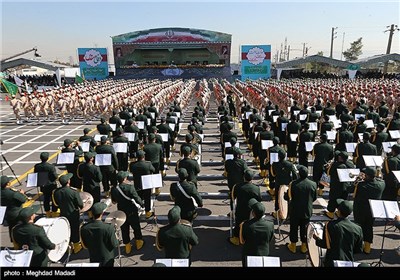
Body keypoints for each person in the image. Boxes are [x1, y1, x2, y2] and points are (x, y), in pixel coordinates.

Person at [314, 199, 363, 267]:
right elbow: (358, 249)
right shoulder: (358, 228)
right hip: (348, 262)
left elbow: (325, 244)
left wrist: (316, 238)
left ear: (339, 211)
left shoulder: (329, 225)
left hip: (331, 262)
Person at [353, 166, 385, 254]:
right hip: (372, 210)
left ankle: (357, 246)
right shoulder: (382, 184)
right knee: (369, 227)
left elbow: (353, 193)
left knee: (359, 227)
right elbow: (379, 180)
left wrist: (357, 180)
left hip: (361, 210)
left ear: (367, 175)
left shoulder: (361, 185)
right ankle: (367, 247)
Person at [111, 171, 145, 253]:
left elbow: (114, 201)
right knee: (136, 226)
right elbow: (136, 198)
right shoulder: (130, 187)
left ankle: (127, 247)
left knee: (124, 229)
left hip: (121, 211)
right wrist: (142, 204)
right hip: (131, 210)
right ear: (124, 179)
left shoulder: (114, 189)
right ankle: (139, 242)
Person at [286, 165, 317, 254]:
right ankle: (304, 246)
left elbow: (288, 197)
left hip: (295, 210)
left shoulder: (293, 184)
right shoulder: (313, 184)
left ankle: (293, 246)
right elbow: (314, 198)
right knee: (304, 228)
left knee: (294, 228)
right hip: (307, 210)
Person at [52, 173, 84, 254]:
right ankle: (76, 247)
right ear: (68, 182)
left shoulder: (56, 192)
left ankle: (67, 246)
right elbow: (80, 204)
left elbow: (55, 203)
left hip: (63, 213)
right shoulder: (73, 192)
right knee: (75, 229)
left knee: (66, 230)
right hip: (73, 214)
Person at [80, 202, 119, 266]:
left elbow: (85, 246)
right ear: (102, 214)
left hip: (93, 259)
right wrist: (116, 237)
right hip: (107, 259)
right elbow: (114, 244)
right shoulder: (109, 227)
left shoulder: (84, 228)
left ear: (92, 214)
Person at [230, 170, 262, 246]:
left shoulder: (237, 186)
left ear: (244, 177)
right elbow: (259, 200)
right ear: (252, 178)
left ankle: (236, 238)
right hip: (252, 211)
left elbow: (232, 198)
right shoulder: (256, 188)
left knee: (238, 223)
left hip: (240, 210)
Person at [239, 199, 275, 267]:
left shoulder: (246, 225)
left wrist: (241, 227)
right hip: (264, 253)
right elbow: (270, 239)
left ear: (253, 213)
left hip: (249, 253)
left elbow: (242, 241)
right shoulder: (270, 224)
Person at [1, 175, 28, 241]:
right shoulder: (12, 193)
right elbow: (23, 199)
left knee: (11, 228)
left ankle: (13, 241)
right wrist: (21, 193)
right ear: (7, 183)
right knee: (19, 228)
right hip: (16, 213)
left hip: (6, 213)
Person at [130, 150, 155, 219]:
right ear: (144, 156)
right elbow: (153, 170)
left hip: (137, 183)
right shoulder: (148, 164)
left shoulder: (132, 164)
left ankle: (139, 210)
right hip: (146, 183)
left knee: (139, 197)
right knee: (147, 198)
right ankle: (147, 212)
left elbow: (131, 171)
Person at [34, 152, 59, 218]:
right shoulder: (51, 167)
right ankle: (54, 212)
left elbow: (36, 174)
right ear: (47, 158)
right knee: (53, 199)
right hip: (51, 185)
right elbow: (55, 176)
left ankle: (47, 212)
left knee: (46, 199)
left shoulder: (37, 166)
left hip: (43, 184)